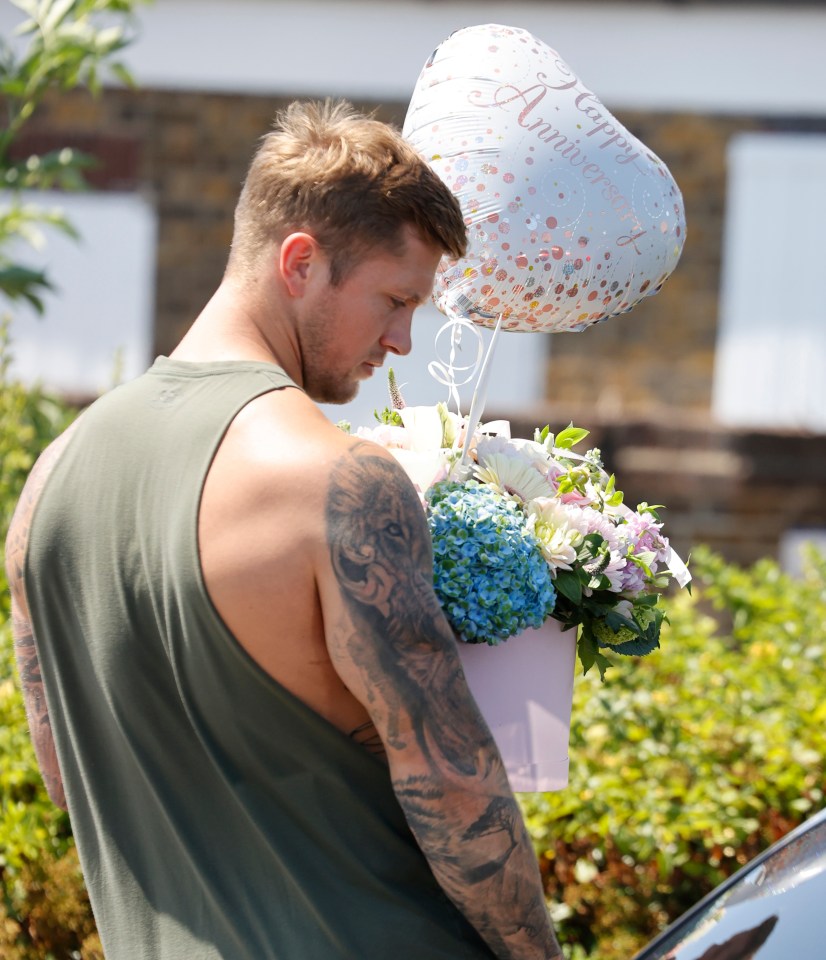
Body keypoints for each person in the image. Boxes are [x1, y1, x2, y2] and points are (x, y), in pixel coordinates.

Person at [5, 99, 563, 960]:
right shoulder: (337, 482)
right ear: (300, 261)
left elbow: (66, 775)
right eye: (395, 298)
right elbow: (453, 783)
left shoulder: (48, 486)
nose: (404, 340)